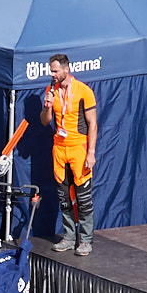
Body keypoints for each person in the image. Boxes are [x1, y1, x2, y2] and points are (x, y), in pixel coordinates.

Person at [42, 50, 99, 254]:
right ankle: (69, 237)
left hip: (78, 148)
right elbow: (45, 121)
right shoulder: (51, 90)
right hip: (59, 149)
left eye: (55, 71)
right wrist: (48, 105)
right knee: (64, 198)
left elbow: (93, 124)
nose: (52, 74)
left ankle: (86, 240)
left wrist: (91, 152)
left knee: (83, 198)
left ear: (66, 70)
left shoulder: (84, 91)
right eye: (51, 71)